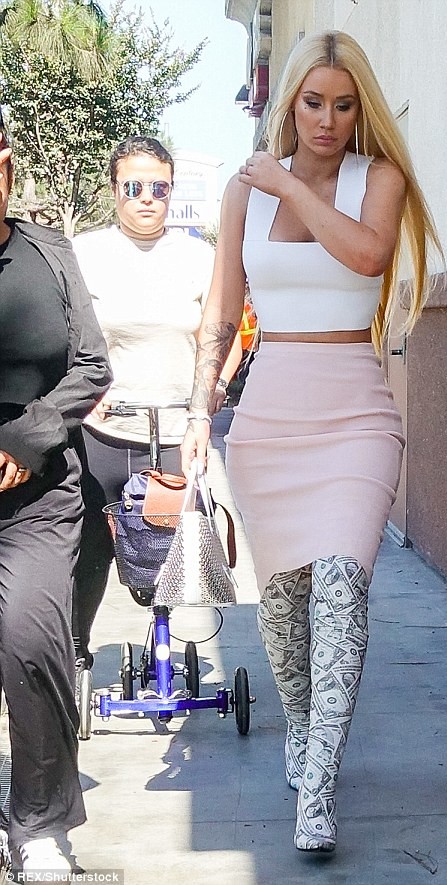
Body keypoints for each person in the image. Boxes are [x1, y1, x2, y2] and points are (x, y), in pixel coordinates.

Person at [181, 30, 441, 852]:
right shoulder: (242, 193)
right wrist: (198, 412)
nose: (328, 120)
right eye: (313, 102)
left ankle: (318, 790)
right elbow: (221, 310)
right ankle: (300, 728)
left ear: (361, 110)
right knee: (283, 617)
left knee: (341, 586)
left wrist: (289, 184)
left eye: (344, 104)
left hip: (356, 415)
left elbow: (366, 254)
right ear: (290, 102)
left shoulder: (378, 180)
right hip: (269, 421)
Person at [71, 136, 242, 666]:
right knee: (90, 553)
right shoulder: (84, 253)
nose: (146, 198)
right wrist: (81, 397)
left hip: (174, 435)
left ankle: (163, 652)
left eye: (159, 188)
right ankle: (74, 655)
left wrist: (212, 394)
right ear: (114, 190)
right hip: (102, 433)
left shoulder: (199, 257)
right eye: (133, 187)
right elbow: (63, 332)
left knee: (165, 557)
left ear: (171, 191)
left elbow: (229, 335)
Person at [0, 116, 112, 872]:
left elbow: (93, 365)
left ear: (5, 167)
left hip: (38, 496)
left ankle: (38, 821)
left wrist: (27, 436)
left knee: (32, 637)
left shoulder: (48, 253)